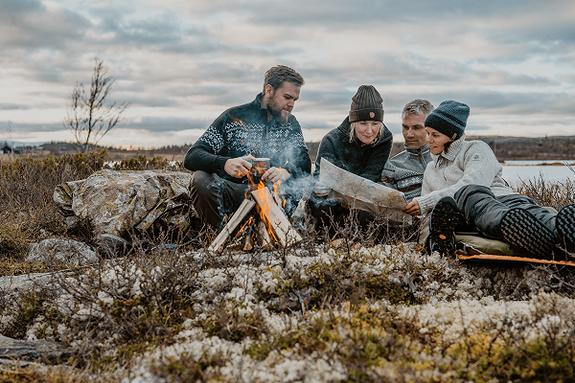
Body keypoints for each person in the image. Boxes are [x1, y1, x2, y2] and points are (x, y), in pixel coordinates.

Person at [402, 100, 575, 258]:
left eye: (435, 135)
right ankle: (516, 230)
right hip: (466, 216)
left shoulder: (476, 149)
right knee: (465, 200)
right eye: (427, 133)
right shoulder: (431, 170)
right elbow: (429, 216)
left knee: (530, 213)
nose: (428, 140)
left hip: (506, 201)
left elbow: (474, 184)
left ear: (452, 136)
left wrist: (426, 201)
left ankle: (561, 233)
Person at [184, 65, 311, 228]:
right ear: (269, 90)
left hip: (271, 197)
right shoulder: (233, 118)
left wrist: (286, 171)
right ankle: (221, 236)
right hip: (233, 193)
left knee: (296, 181)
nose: (291, 104)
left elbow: (305, 162)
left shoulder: (290, 124)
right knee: (200, 178)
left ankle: (272, 233)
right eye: (287, 97)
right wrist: (224, 163)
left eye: (295, 99)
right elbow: (192, 156)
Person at [309, 85, 393, 227]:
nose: (369, 130)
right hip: (334, 203)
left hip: (363, 200)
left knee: (366, 212)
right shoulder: (331, 140)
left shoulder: (384, 139)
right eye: (363, 123)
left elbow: (371, 175)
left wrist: (351, 197)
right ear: (353, 122)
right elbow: (320, 176)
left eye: (375, 123)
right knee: (318, 207)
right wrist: (318, 188)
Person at [379, 99, 434, 202]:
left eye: (416, 128)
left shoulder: (449, 160)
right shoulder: (392, 167)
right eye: (405, 127)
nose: (409, 134)